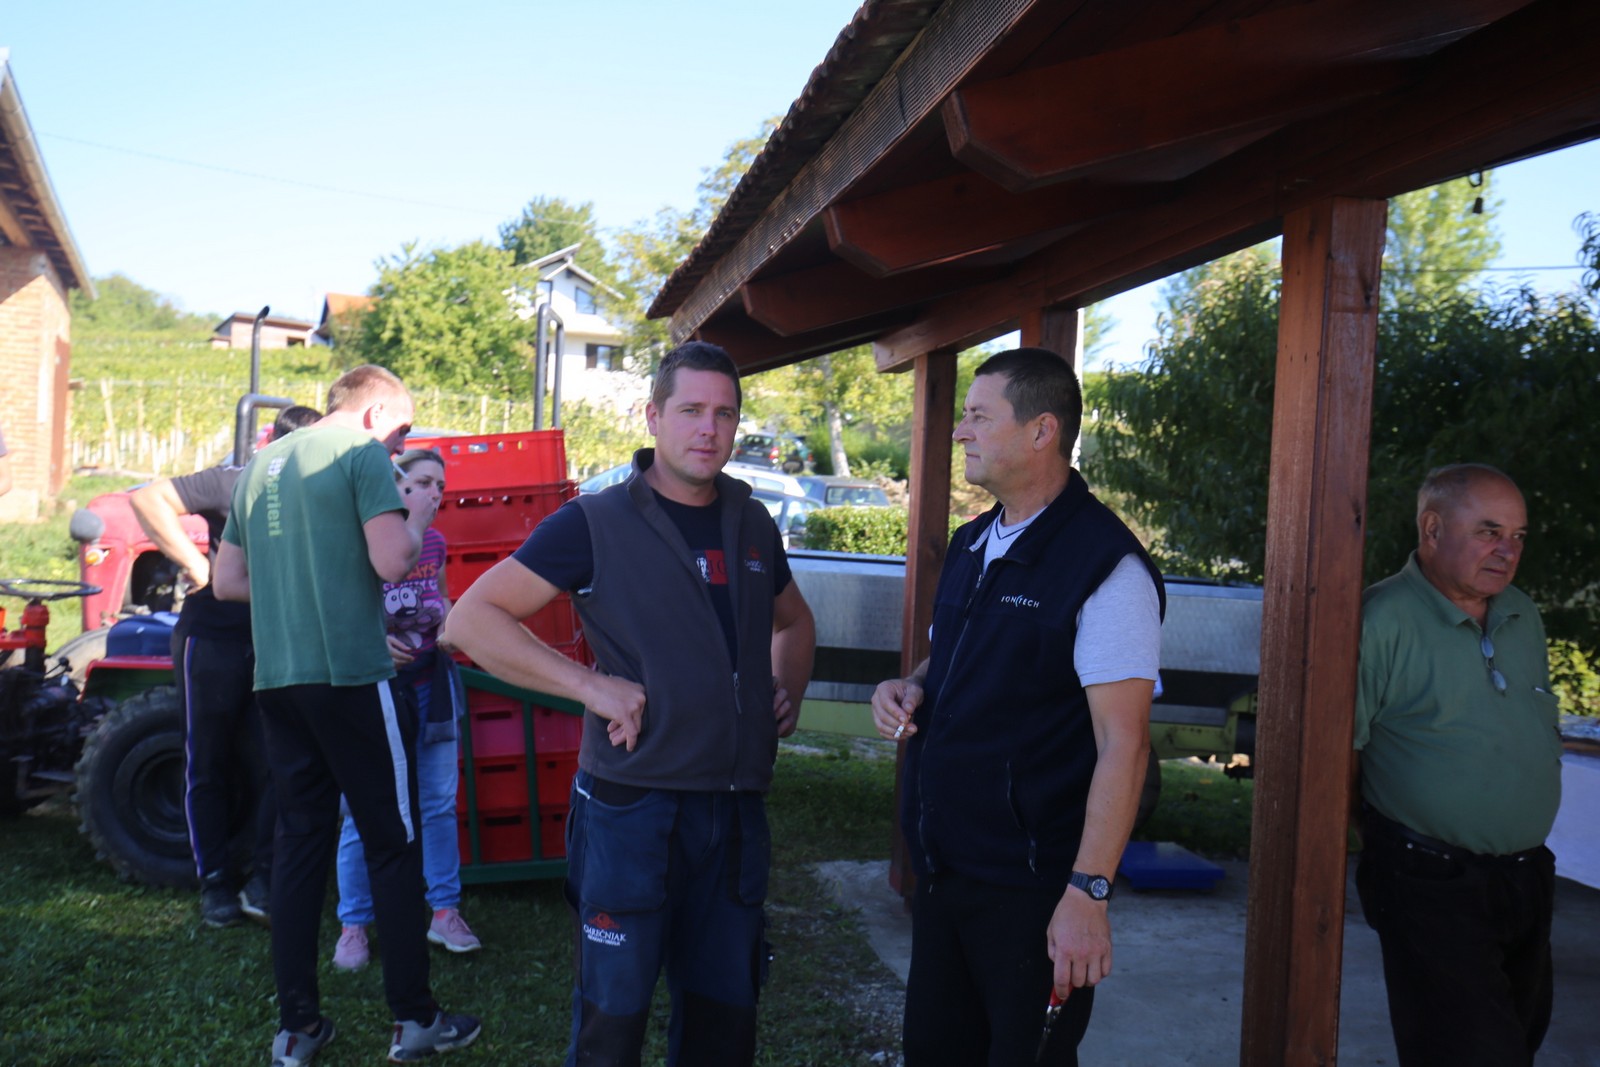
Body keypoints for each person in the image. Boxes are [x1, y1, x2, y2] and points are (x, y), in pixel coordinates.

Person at [445, 341, 815, 1067]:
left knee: (723, 1029)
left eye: (724, 414)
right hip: (631, 809)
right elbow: (471, 619)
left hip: (734, 813)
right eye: (691, 410)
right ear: (653, 416)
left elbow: (794, 621)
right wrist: (590, 685)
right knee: (611, 1029)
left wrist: (787, 690)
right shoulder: (593, 521)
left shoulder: (752, 523)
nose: (708, 428)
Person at [870, 347, 1163, 1066]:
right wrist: (911, 685)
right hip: (946, 872)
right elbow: (953, 659)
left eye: (978, 416)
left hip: (1035, 892)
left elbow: (1124, 744)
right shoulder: (973, 542)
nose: (961, 431)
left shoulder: (1107, 567)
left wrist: (1087, 893)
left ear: (1041, 431)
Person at [213, 366, 480, 1066]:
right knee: (393, 840)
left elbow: (226, 581)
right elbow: (393, 561)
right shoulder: (362, 454)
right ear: (374, 413)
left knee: (300, 843)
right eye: (402, 428)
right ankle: (415, 1020)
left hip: (279, 678)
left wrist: (300, 584)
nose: (402, 446)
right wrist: (411, 517)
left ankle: (297, 1028)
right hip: (353, 675)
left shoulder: (261, 465)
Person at [1353, 463, 1561, 1067]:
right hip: (1430, 878)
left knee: (1517, 1041)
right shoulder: (1381, 619)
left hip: (1526, 875)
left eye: (1518, 536)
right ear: (1432, 528)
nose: (1507, 551)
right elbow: (1337, 753)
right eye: (1489, 531)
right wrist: (1379, 846)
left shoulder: (1521, 613)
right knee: (1470, 1054)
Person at [131, 404, 320, 928]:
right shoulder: (233, 481)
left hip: (278, 638)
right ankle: (215, 882)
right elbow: (147, 498)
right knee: (207, 760)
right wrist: (197, 565)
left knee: (279, 760)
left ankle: (264, 878)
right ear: (280, 446)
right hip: (213, 637)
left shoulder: (319, 493)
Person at [332, 447, 481, 970]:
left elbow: (440, 598)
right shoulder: (362, 542)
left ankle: (444, 911)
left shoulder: (435, 542)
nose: (434, 494)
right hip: (376, 693)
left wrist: (451, 627)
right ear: (393, 489)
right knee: (362, 811)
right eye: (421, 483)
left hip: (431, 689)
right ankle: (354, 924)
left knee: (437, 803)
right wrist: (373, 641)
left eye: (440, 486)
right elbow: (340, 612)